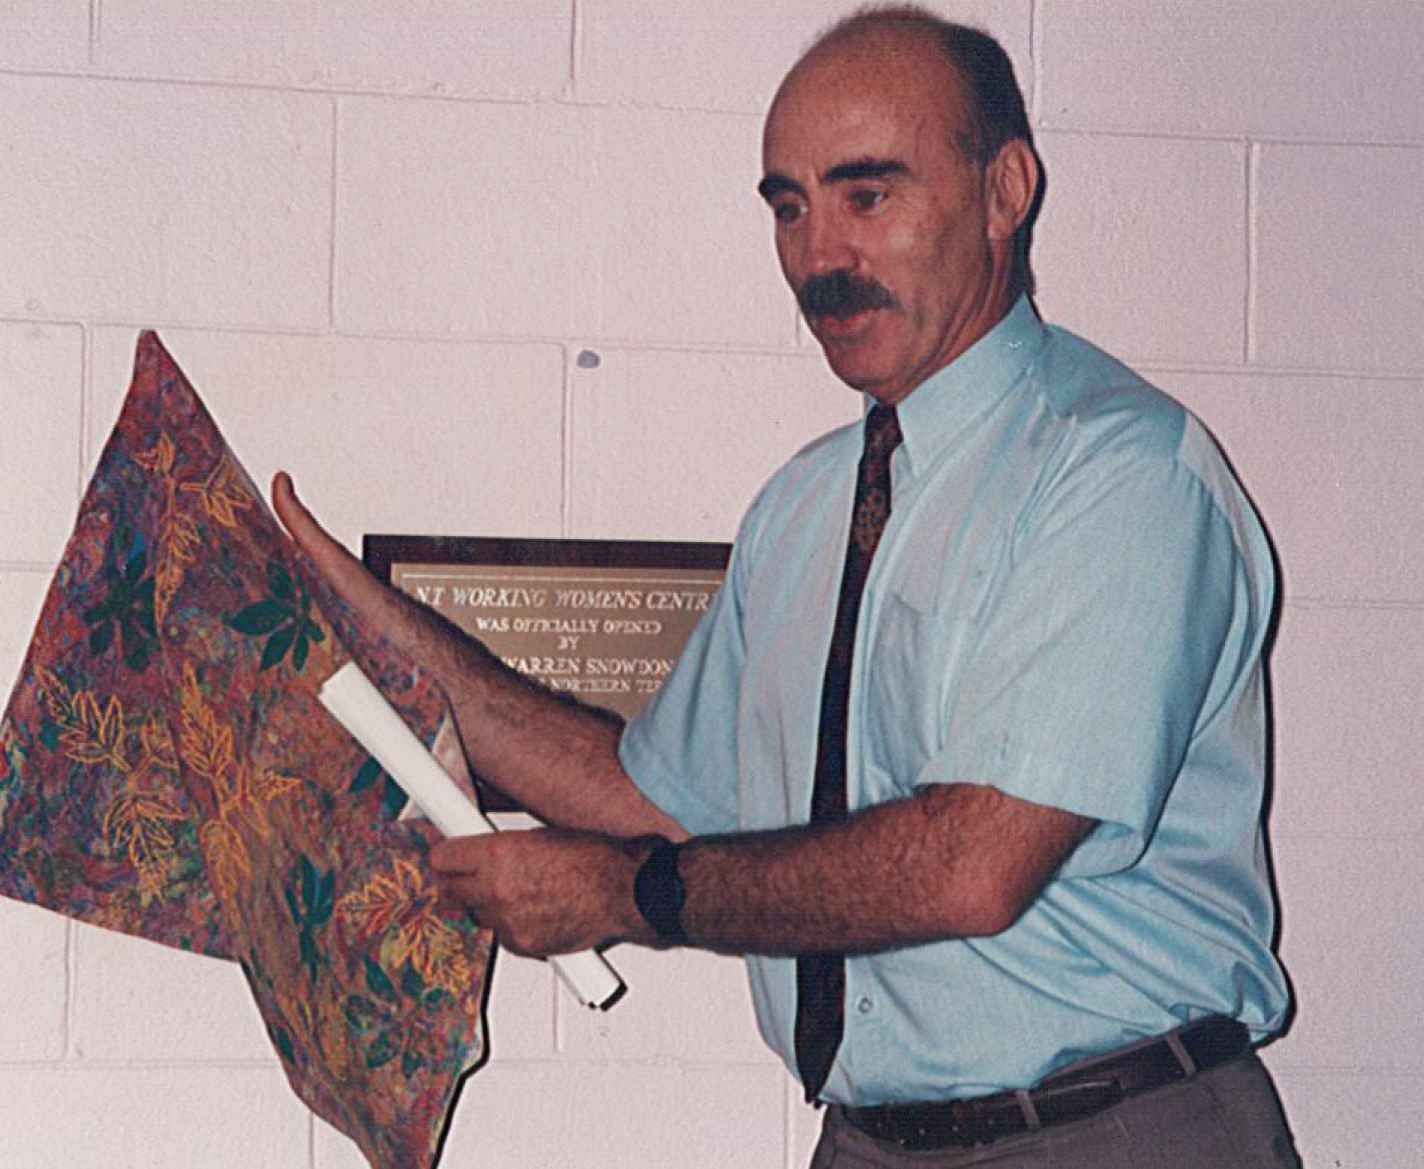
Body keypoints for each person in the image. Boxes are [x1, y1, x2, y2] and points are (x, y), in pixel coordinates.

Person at [274, 6, 1301, 1166]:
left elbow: (974, 864)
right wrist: (366, 624)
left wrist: (630, 893)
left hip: (1107, 1130)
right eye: (790, 207)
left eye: (868, 194)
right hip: (867, 1139)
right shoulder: (805, 507)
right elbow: (655, 796)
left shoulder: (1118, 473)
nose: (821, 258)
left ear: (1004, 190)